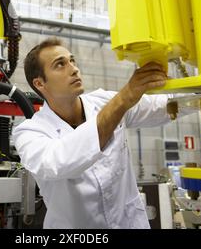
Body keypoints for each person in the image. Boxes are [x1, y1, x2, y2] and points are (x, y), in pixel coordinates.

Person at [12, 37, 181, 229]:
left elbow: (165, 106)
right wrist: (124, 98)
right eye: (60, 64)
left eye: (72, 60)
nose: (74, 68)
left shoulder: (103, 101)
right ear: (40, 84)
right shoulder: (29, 132)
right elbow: (57, 162)